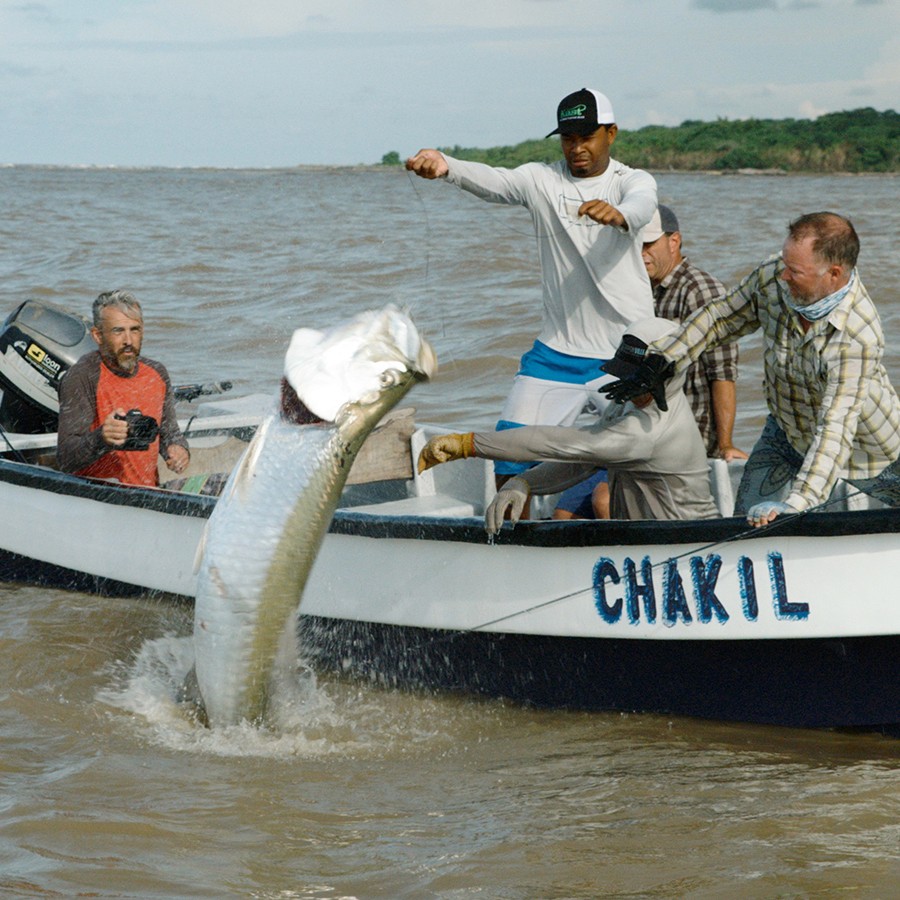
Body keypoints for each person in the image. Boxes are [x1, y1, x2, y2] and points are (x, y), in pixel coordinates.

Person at [406, 88, 657, 491]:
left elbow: (642, 204)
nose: (577, 148)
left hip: (625, 352)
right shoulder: (541, 179)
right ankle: (511, 538)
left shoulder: (633, 181)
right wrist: (446, 165)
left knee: (644, 460)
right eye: (568, 138)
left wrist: (619, 214)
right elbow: (495, 180)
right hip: (556, 354)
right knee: (507, 459)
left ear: (611, 133)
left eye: (587, 137)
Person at [604, 212, 900, 527]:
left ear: (834, 274)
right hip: (785, 430)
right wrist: (662, 359)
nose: (783, 275)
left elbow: (836, 429)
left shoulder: (858, 333)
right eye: (785, 263)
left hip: (867, 449)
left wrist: (796, 504)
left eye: (794, 271)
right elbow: (720, 318)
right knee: (745, 522)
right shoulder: (775, 276)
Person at [417, 318, 720, 531]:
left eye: (636, 380)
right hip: (645, 539)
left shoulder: (649, 432)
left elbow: (563, 442)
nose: (626, 385)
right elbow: (583, 462)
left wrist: (469, 444)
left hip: (688, 544)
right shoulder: (628, 401)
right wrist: (526, 482)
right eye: (622, 374)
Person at [641, 204, 747, 461]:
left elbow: (722, 372)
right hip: (649, 428)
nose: (641, 253)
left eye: (648, 244)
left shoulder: (700, 291)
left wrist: (725, 444)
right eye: (634, 244)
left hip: (689, 436)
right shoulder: (642, 290)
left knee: (604, 499)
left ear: (674, 241)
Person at [57, 290, 190, 487]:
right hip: (100, 498)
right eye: (118, 331)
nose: (128, 341)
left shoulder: (157, 373)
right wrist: (102, 437)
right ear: (98, 335)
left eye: (134, 330)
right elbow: (66, 458)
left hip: (149, 494)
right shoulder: (83, 376)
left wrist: (179, 450)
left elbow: (169, 433)